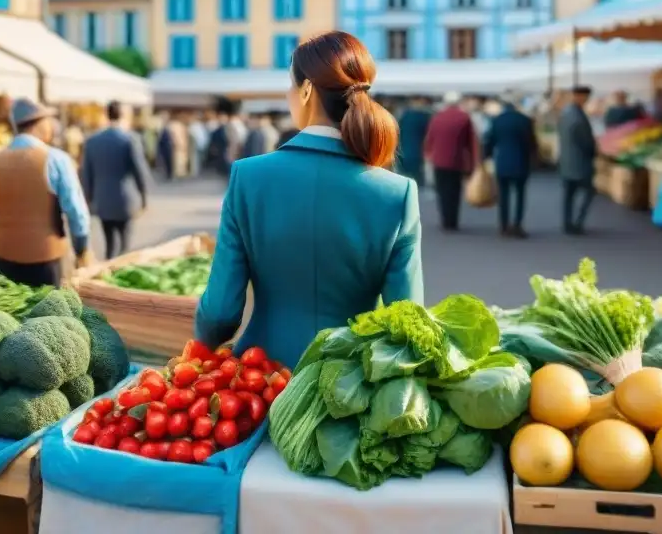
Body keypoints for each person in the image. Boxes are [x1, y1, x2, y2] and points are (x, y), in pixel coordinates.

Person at [194, 31, 423, 368]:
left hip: (261, 380)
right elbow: (406, 323)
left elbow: (220, 313)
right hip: (353, 387)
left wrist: (201, 348)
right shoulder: (398, 194)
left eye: (290, 85)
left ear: (305, 89)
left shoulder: (248, 177)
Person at [0, 98, 92, 286]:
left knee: (8, 314)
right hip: (48, 261)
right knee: (49, 313)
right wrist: (81, 249)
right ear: (40, 124)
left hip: (3, 261)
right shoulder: (57, 159)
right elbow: (77, 214)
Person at [80, 101, 150, 260]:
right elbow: (139, 171)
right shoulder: (129, 139)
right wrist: (144, 197)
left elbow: (86, 174)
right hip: (125, 199)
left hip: (102, 200)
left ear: (107, 114)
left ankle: (108, 270)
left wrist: (88, 199)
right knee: (125, 246)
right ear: (123, 115)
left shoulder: (92, 141)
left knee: (109, 244)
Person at [484, 92, 537, 239]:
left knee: (504, 195)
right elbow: (531, 143)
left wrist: (485, 157)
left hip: (502, 162)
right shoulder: (525, 120)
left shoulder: (496, 120)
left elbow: (489, 141)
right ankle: (517, 225)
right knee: (520, 194)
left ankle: (504, 225)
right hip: (521, 161)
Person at [424, 92, 477, 232]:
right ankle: (453, 220)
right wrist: (472, 163)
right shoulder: (464, 118)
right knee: (455, 191)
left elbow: (430, 138)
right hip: (457, 160)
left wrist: (428, 154)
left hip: (439, 160)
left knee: (442, 190)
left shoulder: (437, 118)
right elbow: (470, 142)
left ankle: (445, 219)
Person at [558, 85, 597, 235]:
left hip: (566, 160)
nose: (586, 100)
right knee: (588, 191)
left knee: (569, 195)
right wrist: (592, 152)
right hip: (579, 162)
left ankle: (568, 223)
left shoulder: (566, 113)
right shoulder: (577, 116)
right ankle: (577, 222)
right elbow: (585, 141)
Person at [397, 97, 432, 186]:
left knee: (404, 181)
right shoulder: (424, 117)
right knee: (418, 183)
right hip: (417, 153)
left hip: (403, 152)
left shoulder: (404, 116)